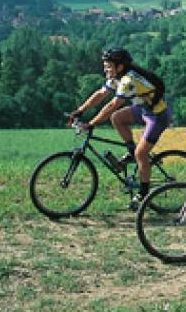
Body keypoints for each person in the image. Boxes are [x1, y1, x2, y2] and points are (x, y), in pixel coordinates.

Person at [66, 47, 173, 210]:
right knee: (117, 118)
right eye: (105, 66)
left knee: (141, 153)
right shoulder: (117, 76)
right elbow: (100, 94)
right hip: (144, 110)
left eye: (108, 66)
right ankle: (131, 150)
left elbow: (111, 105)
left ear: (120, 66)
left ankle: (144, 194)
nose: (105, 69)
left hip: (158, 116)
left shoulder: (128, 81)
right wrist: (80, 110)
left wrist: (91, 123)